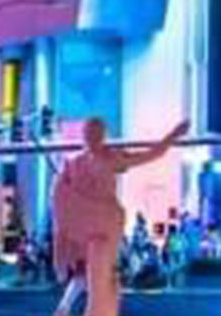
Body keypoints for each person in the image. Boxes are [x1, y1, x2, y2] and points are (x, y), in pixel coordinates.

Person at [52, 118, 188, 316]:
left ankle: (81, 308)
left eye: (97, 132)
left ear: (103, 135)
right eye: (89, 132)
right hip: (86, 228)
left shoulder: (111, 158)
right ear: (84, 135)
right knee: (93, 279)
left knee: (104, 282)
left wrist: (173, 135)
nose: (93, 137)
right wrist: (61, 249)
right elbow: (61, 205)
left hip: (106, 226)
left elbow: (151, 154)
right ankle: (68, 306)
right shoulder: (73, 165)